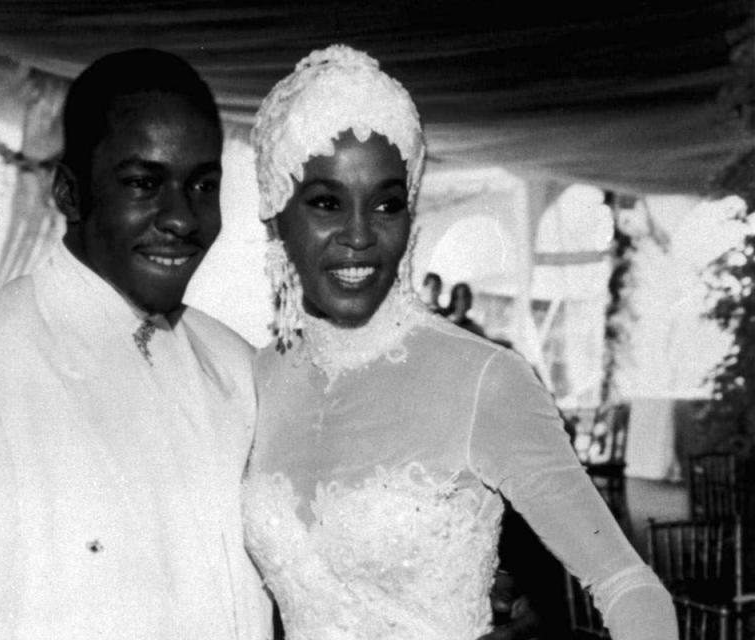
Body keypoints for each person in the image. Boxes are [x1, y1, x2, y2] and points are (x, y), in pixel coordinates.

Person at [242, 45, 676, 640]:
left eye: (388, 203)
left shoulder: (484, 380)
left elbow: (628, 586)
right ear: (275, 213)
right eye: (326, 202)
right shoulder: (254, 379)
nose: (361, 234)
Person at [0, 50, 269, 639]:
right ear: (68, 193)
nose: (182, 218)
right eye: (143, 182)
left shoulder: (236, 364)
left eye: (202, 185)